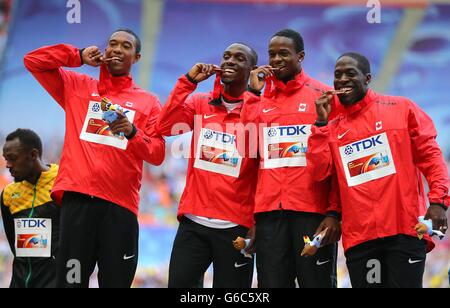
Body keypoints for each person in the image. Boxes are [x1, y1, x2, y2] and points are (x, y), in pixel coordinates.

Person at [23, 29, 165, 288]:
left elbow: (157, 154)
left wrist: (133, 133)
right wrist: (76, 55)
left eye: (126, 45)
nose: (117, 49)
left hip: (119, 209)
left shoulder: (149, 102)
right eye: (112, 44)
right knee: (70, 282)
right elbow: (33, 61)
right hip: (77, 205)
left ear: (137, 57)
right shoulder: (77, 86)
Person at [308, 52, 449, 288]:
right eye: (337, 75)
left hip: (404, 230)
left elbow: (430, 156)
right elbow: (323, 175)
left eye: (350, 73)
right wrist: (321, 124)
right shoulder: (331, 129)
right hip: (360, 238)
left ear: (368, 78)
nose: (342, 79)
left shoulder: (402, 109)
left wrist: (439, 202)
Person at [241, 29, 341, 288]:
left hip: (312, 214)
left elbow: (336, 164)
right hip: (270, 215)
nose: (275, 60)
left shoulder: (324, 96)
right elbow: (246, 148)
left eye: (284, 53)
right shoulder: (259, 100)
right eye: (272, 54)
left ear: (301, 56)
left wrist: (333, 212)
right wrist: (252, 95)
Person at [156, 43, 259, 288]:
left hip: (236, 227)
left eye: (239, 58)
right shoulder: (201, 103)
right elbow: (164, 126)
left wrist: (258, 223)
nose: (230, 61)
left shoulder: (261, 110)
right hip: (194, 223)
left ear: (252, 69)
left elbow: (264, 167)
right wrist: (188, 82)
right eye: (226, 56)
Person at [1, 129, 59, 288]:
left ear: (33, 155)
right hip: (20, 282)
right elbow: (14, 244)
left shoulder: (62, 184)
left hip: (55, 281)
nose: (8, 165)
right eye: (6, 159)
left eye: (12, 159)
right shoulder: (8, 194)